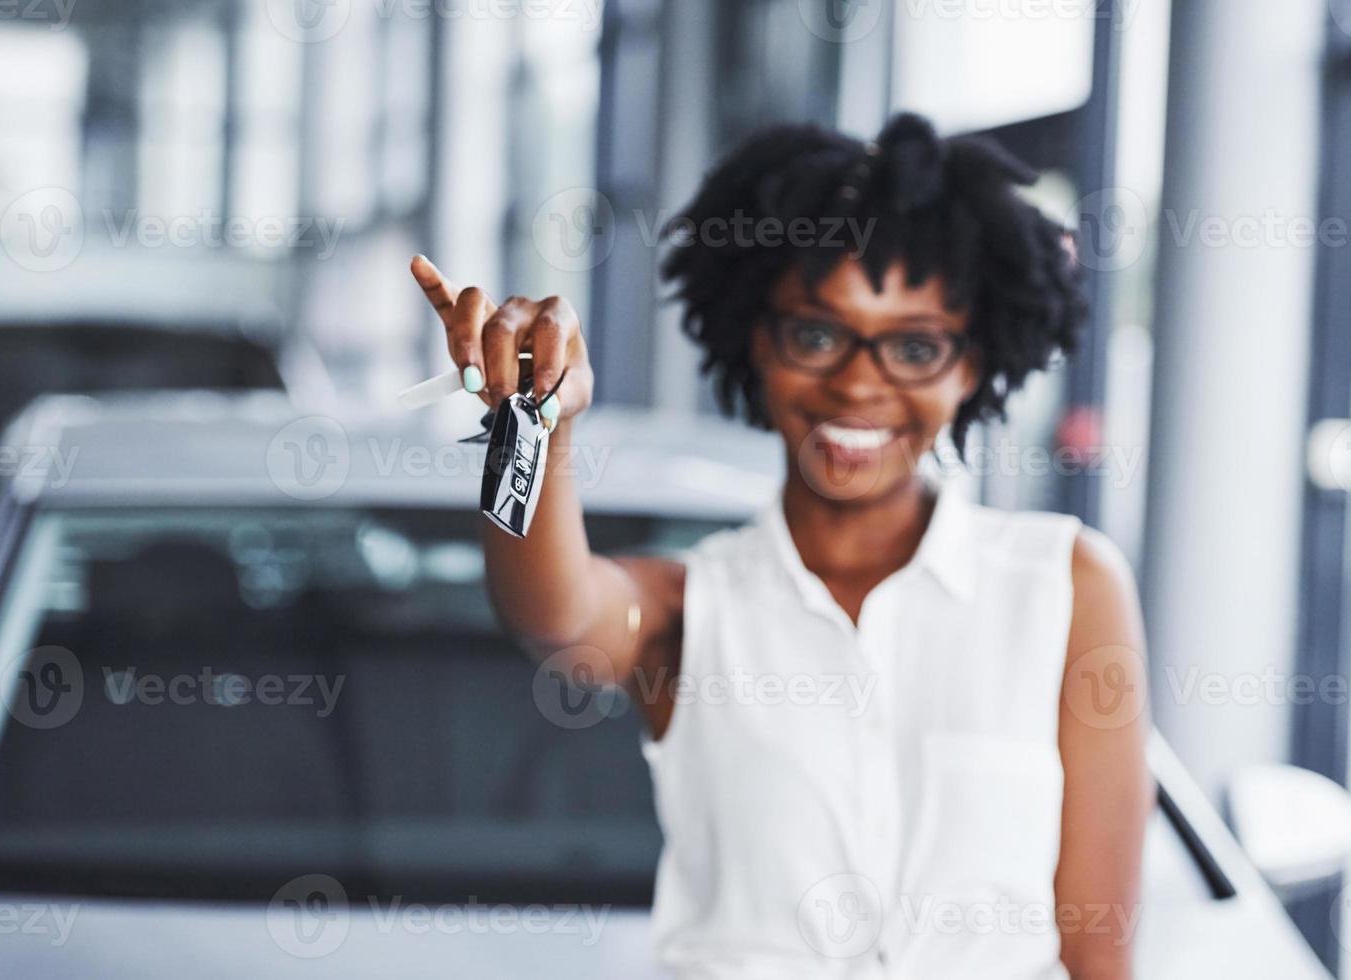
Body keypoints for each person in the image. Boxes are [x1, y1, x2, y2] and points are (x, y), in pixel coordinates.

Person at [408, 111, 1153, 980]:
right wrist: (538, 424)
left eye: (915, 345)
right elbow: (555, 613)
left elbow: (1099, 955)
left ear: (973, 364)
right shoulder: (691, 609)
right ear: (755, 338)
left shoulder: (1066, 585)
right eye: (815, 332)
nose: (858, 380)